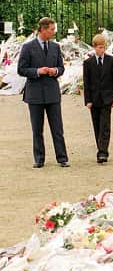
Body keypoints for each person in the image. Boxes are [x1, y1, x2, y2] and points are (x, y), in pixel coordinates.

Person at [17, 17, 70, 168]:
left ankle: (62, 158)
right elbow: (21, 69)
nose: (54, 32)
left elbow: (61, 67)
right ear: (43, 29)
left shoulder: (55, 47)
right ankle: (39, 159)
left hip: (52, 93)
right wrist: (37, 71)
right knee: (37, 129)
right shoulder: (28, 47)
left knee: (57, 128)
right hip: (35, 94)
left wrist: (56, 71)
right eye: (52, 29)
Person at [83, 34, 113, 164]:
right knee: (97, 125)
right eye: (99, 48)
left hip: (107, 99)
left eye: (103, 47)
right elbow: (86, 83)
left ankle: (103, 152)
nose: (102, 50)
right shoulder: (88, 63)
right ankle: (100, 148)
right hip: (94, 99)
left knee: (105, 126)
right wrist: (87, 100)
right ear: (94, 47)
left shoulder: (112, 61)